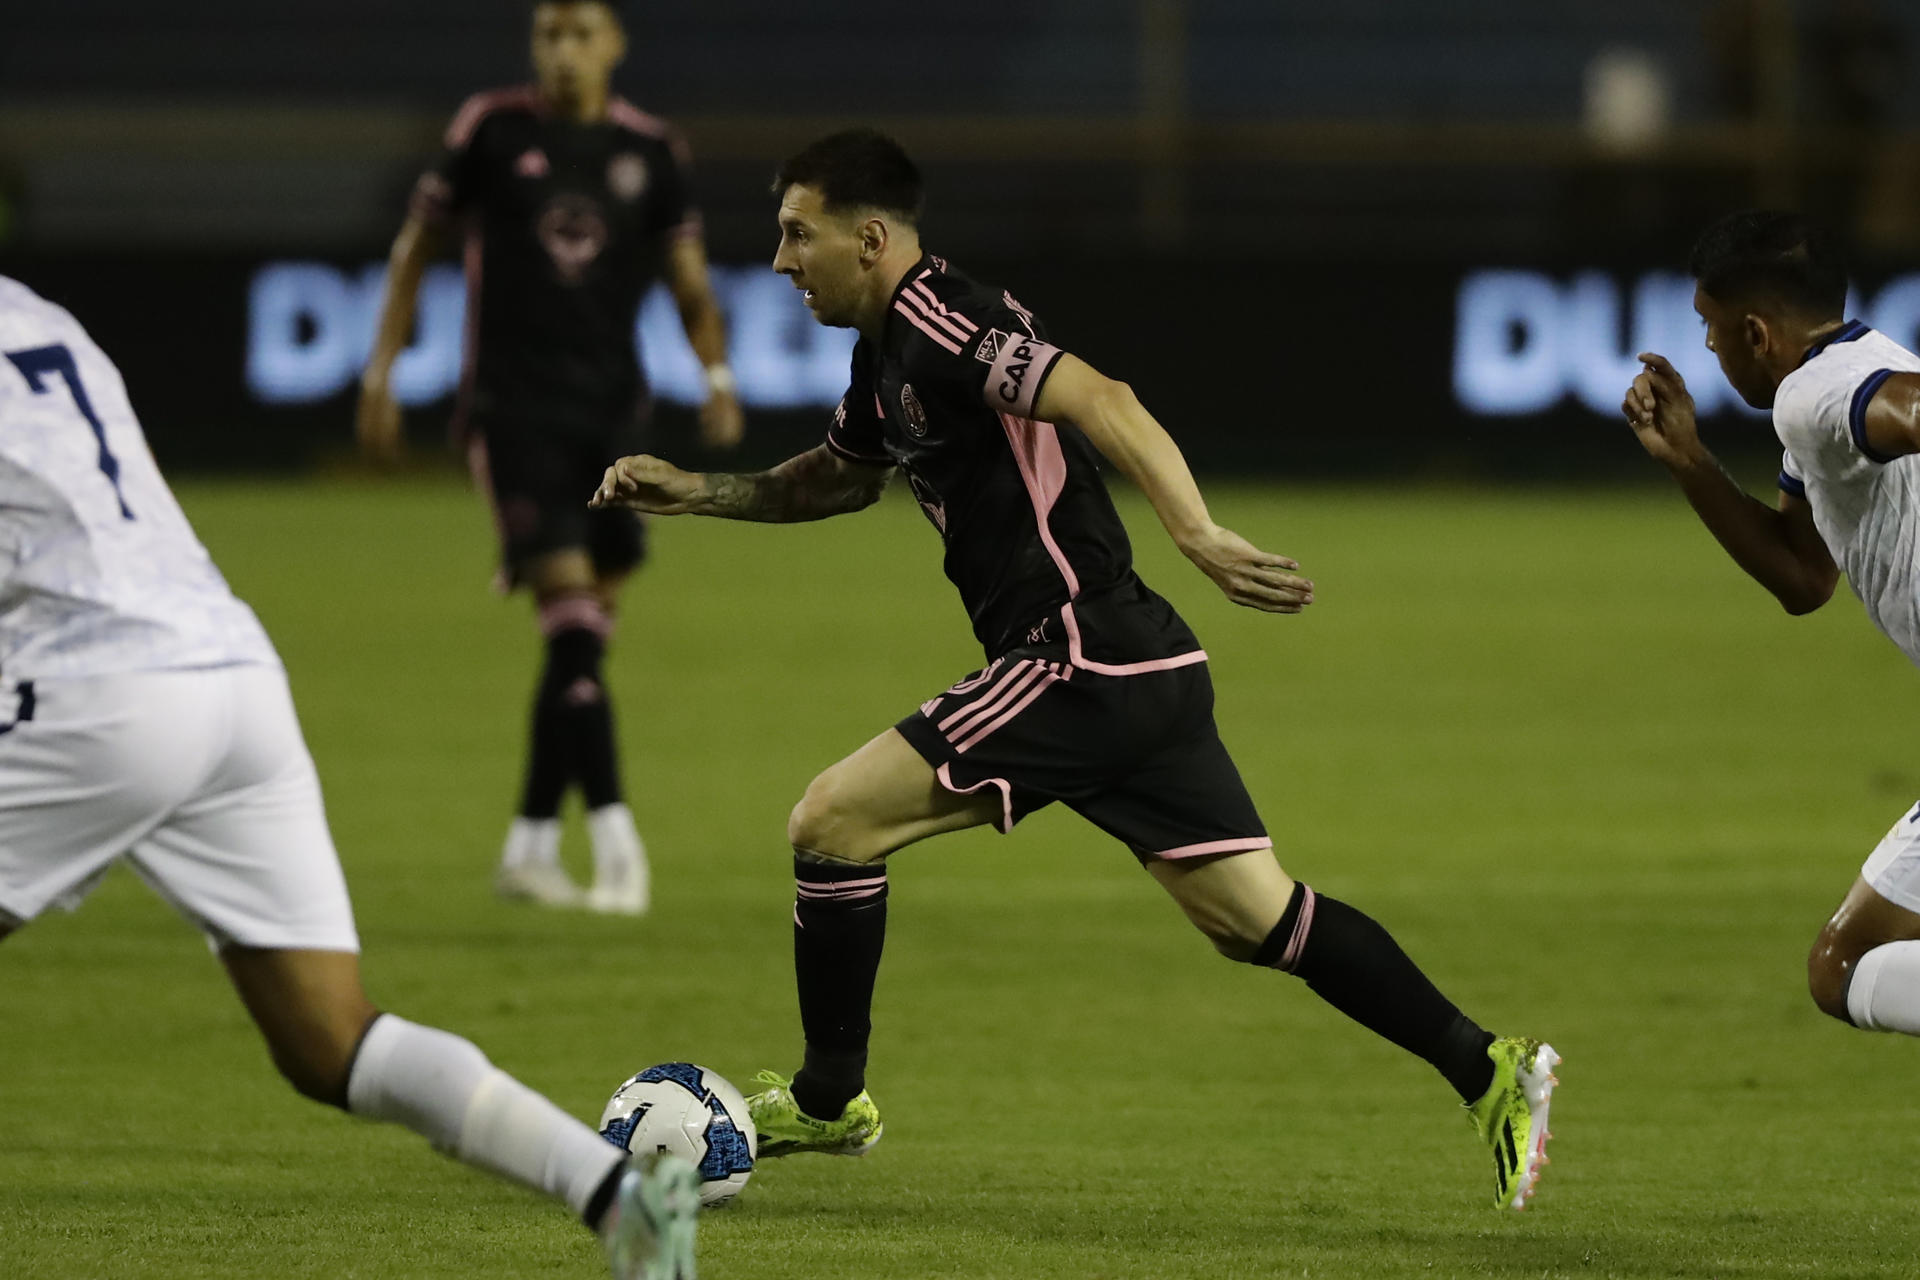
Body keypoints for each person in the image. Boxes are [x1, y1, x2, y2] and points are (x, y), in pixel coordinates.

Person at [593, 129, 1560, 1210]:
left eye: (795, 233)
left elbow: (1103, 397)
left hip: (1077, 651)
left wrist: (1194, 530)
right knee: (1259, 919)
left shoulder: (941, 315)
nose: (780, 260)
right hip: (1141, 662)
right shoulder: (885, 356)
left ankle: (829, 1097)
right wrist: (699, 491)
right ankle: (1491, 1066)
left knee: (829, 822)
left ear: (869, 239)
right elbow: (835, 477)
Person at [0, 274, 698, 1280]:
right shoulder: (45, 318)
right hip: (233, 674)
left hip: (95, 685)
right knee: (332, 1040)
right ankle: (616, 1194)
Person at [359, 0, 745, 914]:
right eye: (549, 35)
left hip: (612, 417)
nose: (565, 51)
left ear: (615, 46)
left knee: (580, 647)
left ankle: (529, 846)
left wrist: (719, 371)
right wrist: (381, 370)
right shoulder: (491, 129)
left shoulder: (651, 151)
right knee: (572, 623)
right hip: (513, 412)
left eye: (582, 34)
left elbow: (689, 283)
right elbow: (417, 247)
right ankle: (618, 845)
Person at [1624, 209, 1920, 1037]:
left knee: (1851, 968)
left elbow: (1909, 411)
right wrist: (1688, 456)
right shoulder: (1843, 378)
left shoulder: (1813, 393)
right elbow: (1802, 575)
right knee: (1846, 967)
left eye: (1711, 331)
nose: (1709, 350)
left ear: (1755, 331)